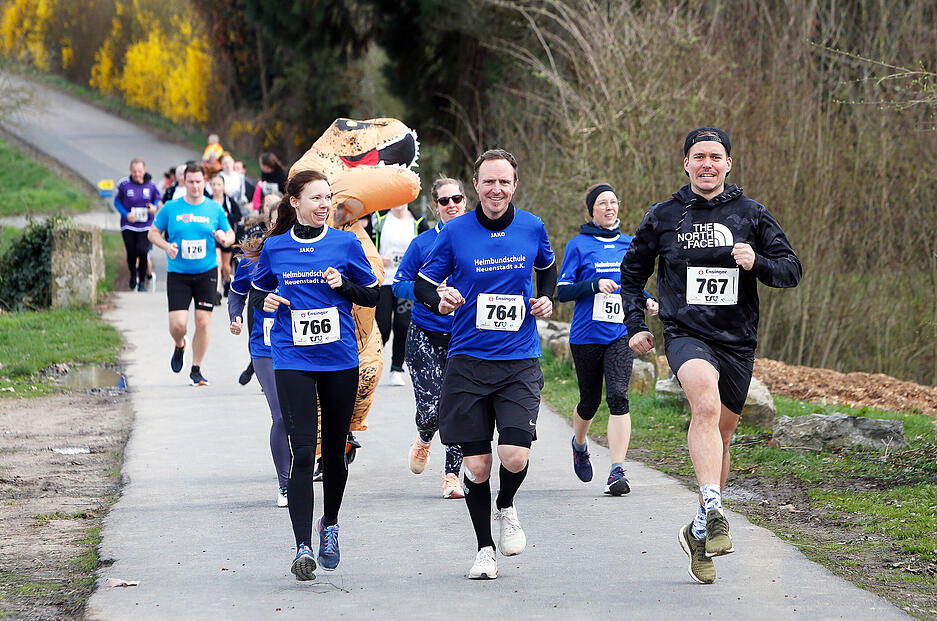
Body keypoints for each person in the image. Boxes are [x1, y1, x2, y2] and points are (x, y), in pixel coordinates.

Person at [620, 127, 802, 584]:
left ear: (728, 164)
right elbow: (632, 274)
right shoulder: (664, 216)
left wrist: (757, 262)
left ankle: (699, 530)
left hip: (737, 340)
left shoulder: (751, 214)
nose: (707, 164)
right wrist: (637, 325)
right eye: (698, 156)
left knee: (722, 434)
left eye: (715, 157)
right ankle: (717, 509)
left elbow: (791, 270)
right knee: (704, 403)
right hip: (686, 333)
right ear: (686, 163)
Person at [414, 149, 556, 580]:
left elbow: (547, 268)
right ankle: (484, 549)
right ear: (476, 185)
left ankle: (506, 505)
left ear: (515, 185)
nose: (496, 189)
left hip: (519, 360)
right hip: (469, 361)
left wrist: (546, 297)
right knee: (477, 467)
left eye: (504, 182)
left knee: (514, 456)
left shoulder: (532, 226)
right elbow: (423, 283)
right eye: (488, 181)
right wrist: (439, 299)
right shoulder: (456, 232)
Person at [247, 169, 380, 581]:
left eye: (328, 197)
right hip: (292, 359)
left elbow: (373, 293)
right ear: (295, 202)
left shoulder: (345, 243)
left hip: (339, 360)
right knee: (303, 453)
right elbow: (257, 291)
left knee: (335, 452)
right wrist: (266, 302)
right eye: (316, 198)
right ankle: (302, 547)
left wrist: (344, 286)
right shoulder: (275, 248)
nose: (324, 205)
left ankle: (330, 525)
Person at [557, 183, 658, 495]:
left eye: (613, 202)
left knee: (618, 396)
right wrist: (594, 285)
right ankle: (579, 444)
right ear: (592, 210)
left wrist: (647, 300)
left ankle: (617, 470)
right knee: (589, 401)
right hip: (586, 335)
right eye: (602, 203)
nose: (609, 207)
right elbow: (562, 291)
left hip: (621, 334)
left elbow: (631, 284)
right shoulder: (578, 245)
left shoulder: (629, 244)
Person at [392, 178, 467, 498]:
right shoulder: (422, 243)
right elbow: (399, 285)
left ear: (465, 201)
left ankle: (452, 476)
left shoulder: (478, 239)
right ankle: (424, 438)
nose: (451, 205)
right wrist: (430, 291)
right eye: (444, 201)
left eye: (457, 199)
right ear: (435, 206)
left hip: (464, 335)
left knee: (459, 408)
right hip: (425, 334)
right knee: (431, 411)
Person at [148, 162, 234, 386]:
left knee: (203, 322)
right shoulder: (171, 208)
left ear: (204, 182)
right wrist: (166, 246)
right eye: (191, 182)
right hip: (179, 274)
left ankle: (196, 369)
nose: (195, 186)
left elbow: (230, 233)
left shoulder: (214, 209)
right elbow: (153, 233)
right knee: (178, 325)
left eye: (198, 182)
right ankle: (180, 345)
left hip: (207, 272)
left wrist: (225, 239)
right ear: (184, 182)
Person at [228, 205, 289, 507]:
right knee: (281, 415)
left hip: (303, 347)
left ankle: (308, 469)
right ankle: (285, 485)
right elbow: (237, 292)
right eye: (276, 222)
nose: (280, 227)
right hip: (265, 349)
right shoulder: (252, 260)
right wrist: (236, 316)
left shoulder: (305, 255)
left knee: (304, 418)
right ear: (268, 223)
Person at [373, 203, 428, 385]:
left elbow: (427, 249)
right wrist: (377, 258)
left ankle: (397, 368)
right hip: (384, 280)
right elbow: (365, 244)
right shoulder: (379, 218)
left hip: (406, 282)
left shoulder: (418, 222)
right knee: (382, 327)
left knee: (403, 325)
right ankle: (373, 364)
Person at [114, 158, 160, 292]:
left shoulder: (151, 185)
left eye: (139, 171)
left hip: (146, 225)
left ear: (144, 170)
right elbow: (117, 202)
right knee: (131, 252)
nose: (137, 174)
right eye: (134, 171)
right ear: (130, 171)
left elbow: (157, 200)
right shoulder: (124, 184)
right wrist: (126, 214)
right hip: (129, 224)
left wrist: (154, 207)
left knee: (143, 252)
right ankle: (133, 274)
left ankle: (142, 283)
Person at [210, 172, 243, 298]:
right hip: (213, 236)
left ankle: (228, 281)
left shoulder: (229, 201)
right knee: (217, 263)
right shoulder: (207, 200)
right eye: (213, 184)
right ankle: (217, 292)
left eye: (218, 184)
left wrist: (227, 216)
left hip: (227, 237)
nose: (216, 187)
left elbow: (238, 216)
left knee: (226, 267)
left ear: (223, 186)